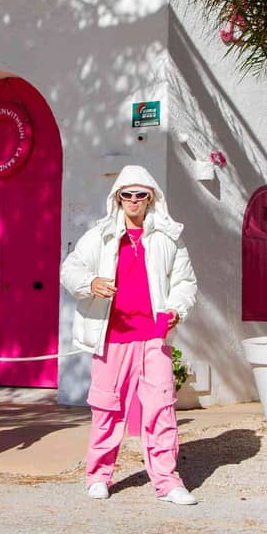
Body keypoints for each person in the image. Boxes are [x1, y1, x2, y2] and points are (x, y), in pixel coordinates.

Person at [61, 165, 198, 505]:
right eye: (127, 195)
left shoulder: (168, 237)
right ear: (117, 198)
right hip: (112, 336)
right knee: (106, 408)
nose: (134, 201)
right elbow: (70, 268)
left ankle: (167, 481)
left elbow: (185, 283)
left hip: (154, 336)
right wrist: (90, 283)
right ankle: (98, 476)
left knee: (161, 407)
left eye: (141, 195)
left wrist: (176, 310)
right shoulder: (101, 235)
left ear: (151, 198)